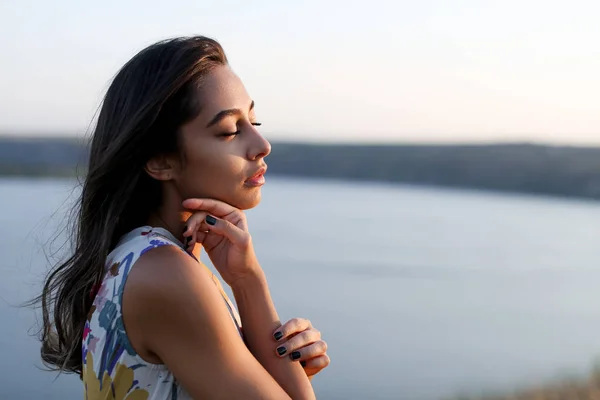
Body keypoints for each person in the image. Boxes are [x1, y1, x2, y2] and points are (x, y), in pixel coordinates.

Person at [36, 36, 329, 399]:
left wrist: (248, 288)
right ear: (160, 160)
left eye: (254, 120)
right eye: (229, 130)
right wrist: (250, 284)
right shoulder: (165, 274)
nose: (261, 145)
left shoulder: (140, 261)